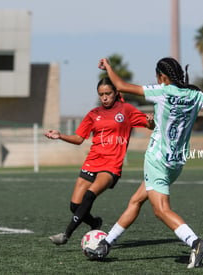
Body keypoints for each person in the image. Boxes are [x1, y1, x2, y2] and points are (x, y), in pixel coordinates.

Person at [88, 57, 203, 269]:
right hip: (176, 164)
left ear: (162, 77)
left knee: (160, 210)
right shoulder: (195, 95)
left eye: (157, 76)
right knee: (136, 201)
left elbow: (121, 86)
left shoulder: (163, 91)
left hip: (157, 160)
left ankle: (195, 242)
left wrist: (109, 67)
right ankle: (106, 244)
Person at [45, 77, 154, 245]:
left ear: (116, 93)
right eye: (101, 94)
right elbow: (79, 138)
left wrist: (151, 121)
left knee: (90, 195)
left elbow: (149, 125)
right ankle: (95, 223)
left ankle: (66, 234)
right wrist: (60, 135)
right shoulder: (93, 114)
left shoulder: (126, 109)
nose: (104, 97)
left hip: (111, 165)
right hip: (92, 161)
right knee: (75, 206)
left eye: (108, 93)